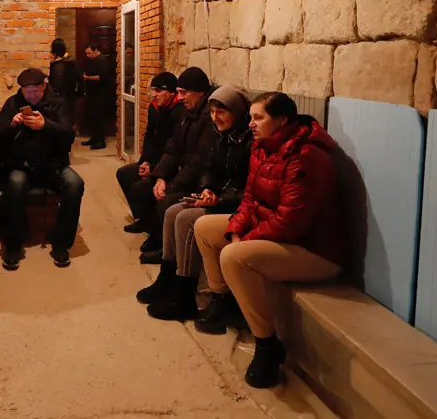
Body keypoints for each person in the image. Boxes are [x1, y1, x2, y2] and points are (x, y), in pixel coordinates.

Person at [193, 92, 347, 389]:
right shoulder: (263, 146)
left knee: (234, 256)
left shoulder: (307, 155)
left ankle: (267, 345)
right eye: (250, 117)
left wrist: (243, 240)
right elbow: (250, 198)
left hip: (315, 250)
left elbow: (291, 223)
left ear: (283, 120)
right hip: (277, 233)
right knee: (204, 227)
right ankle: (222, 302)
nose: (250, 123)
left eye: (258, 117)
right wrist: (236, 229)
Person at [137, 85, 252, 322]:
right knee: (172, 212)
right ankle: (167, 278)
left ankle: (184, 296)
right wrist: (206, 188)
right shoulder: (221, 135)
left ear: (238, 112)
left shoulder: (249, 141)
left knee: (186, 218)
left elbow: (248, 187)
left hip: (235, 204)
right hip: (219, 197)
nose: (215, 117)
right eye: (212, 112)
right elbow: (207, 168)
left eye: (221, 112)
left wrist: (219, 198)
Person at [0, 68, 84, 270]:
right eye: (27, 92)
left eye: (35, 91)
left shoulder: (57, 103)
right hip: (21, 165)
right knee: (15, 184)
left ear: (44, 86)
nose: (31, 96)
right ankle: (14, 244)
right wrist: (11, 125)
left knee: (75, 184)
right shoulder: (13, 103)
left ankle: (61, 242)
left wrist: (45, 125)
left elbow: (69, 135)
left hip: (52, 166)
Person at [141, 67, 215, 261]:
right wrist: (161, 177)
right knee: (145, 187)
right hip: (185, 173)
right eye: (178, 92)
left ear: (199, 92)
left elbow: (199, 161)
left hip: (200, 181)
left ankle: (166, 250)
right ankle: (155, 236)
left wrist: (171, 185)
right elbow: (172, 147)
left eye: (183, 92)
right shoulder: (188, 112)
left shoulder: (208, 117)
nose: (180, 97)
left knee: (166, 201)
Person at [116, 72, 184, 235]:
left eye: (159, 91)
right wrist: (144, 161)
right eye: (153, 90)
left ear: (171, 92)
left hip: (169, 167)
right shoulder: (154, 108)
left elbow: (175, 150)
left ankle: (155, 230)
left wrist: (154, 169)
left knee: (140, 188)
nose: (154, 95)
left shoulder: (180, 112)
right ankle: (143, 218)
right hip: (154, 161)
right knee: (124, 174)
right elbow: (149, 136)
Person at [81, 44, 114, 150]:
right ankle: (94, 138)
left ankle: (101, 141)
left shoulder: (102, 60)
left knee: (99, 118)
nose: (87, 55)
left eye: (89, 53)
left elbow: (101, 77)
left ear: (96, 50)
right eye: (86, 53)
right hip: (92, 94)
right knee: (93, 117)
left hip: (100, 94)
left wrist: (87, 77)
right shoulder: (92, 60)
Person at [48, 38, 79, 107]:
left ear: (54, 53)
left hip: (60, 99)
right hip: (70, 97)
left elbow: (56, 84)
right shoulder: (71, 62)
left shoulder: (58, 66)